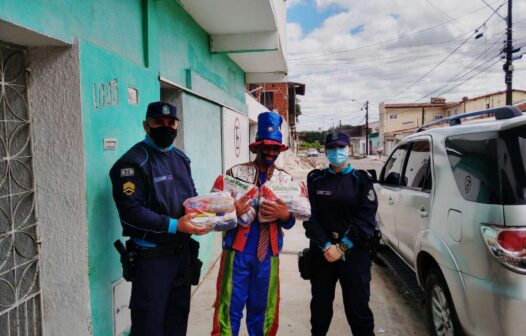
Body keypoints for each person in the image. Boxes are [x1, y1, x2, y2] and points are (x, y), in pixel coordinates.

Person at [109, 101, 211, 336]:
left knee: (177, 321)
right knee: (149, 327)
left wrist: (208, 215)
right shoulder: (132, 163)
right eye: (158, 122)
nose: (166, 127)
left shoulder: (181, 159)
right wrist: (176, 225)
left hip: (182, 256)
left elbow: (190, 199)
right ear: (146, 126)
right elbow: (130, 211)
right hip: (153, 261)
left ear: (176, 125)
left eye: (171, 122)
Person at [211, 112, 296, 336]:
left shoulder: (285, 180)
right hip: (237, 252)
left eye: (275, 148)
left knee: (265, 311)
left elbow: (291, 222)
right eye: (265, 147)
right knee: (228, 309)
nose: (270, 152)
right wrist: (231, 209)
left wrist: (285, 214)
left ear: (280, 150)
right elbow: (214, 213)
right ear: (256, 146)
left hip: (269, 254)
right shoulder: (234, 174)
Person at [303, 131, 378, 336]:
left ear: (349, 149)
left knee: (359, 311)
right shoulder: (316, 179)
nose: (337, 152)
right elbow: (310, 217)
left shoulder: (362, 180)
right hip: (322, 253)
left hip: (354, 255)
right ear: (326, 151)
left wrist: (342, 247)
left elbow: (366, 221)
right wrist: (327, 245)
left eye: (341, 147)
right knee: (320, 308)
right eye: (332, 148)